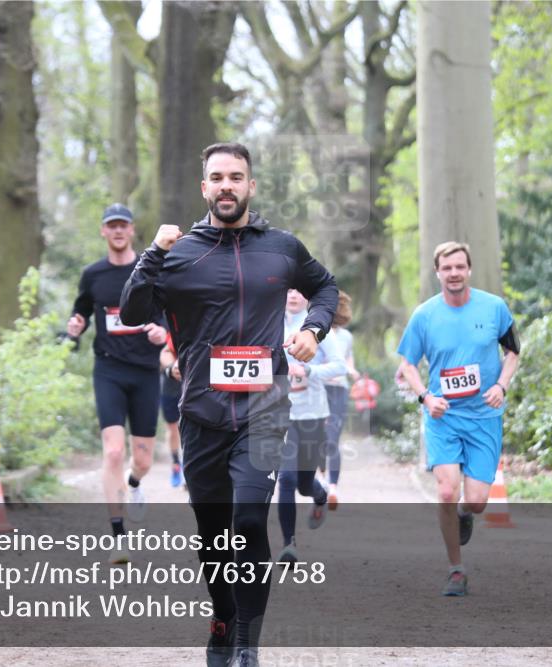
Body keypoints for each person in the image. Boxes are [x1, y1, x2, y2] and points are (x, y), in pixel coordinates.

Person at [120, 142, 338, 667]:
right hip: (200, 412)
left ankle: (246, 643)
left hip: (264, 409)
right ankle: (222, 618)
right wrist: (152, 252)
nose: (226, 186)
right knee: (214, 537)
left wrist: (313, 328)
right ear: (204, 188)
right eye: (216, 177)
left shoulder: (282, 248)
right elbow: (132, 309)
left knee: (246, 523)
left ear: (250, 186)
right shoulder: (179, 253)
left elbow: (325, 287)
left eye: (235, 177)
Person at [396, 241, 519, 597]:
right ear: (438, 273)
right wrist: (426, 396)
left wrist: (501, 385)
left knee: (477, 501)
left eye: (459, 267)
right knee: (447, 489)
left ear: (468, 270)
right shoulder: (424, 315)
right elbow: (407, 364)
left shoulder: (494, 308)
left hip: (484, 416)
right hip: (443, 417)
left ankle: (466, 513)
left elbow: (513, 352)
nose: (453, 273)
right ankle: (456, 570)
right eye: (447, 268)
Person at [66, 203, 168, 563]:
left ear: (132, 230)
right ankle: (118, 537)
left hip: (144, 371)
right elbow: (79, 314)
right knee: (112, 451)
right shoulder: (93, 274)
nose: (119, 231)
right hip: (108, 369)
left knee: (141, 459)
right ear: (104, 232)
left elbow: (165, 315)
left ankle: (135, 483)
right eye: (112, 226)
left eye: (124, 225)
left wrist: (162, 331)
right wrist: (73, 329)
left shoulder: (149, 270)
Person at [277, 289, 346, 563]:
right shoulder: (270, 320)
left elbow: (340, 366)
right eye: (288, 290)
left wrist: (309, 371)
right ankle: (288, 544)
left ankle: (319, 495)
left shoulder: (316, 326)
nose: (293, 295)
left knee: (304, 484)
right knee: (287, 478)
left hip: (312, 414)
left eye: (299, 291)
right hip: (279, 414)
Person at [320, 291, 359, 509]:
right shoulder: (315, 332)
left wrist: (353, 372)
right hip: (318, 389)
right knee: (318, 439)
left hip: (338, 391)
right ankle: (320, 479)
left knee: (333, 438)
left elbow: (348, 360)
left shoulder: (346, 337)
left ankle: (332, 486)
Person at [159, 333, 184, 487]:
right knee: (173, 428)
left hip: (193, 383)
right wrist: (170, 367)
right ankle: (176, 464)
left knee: (189, 426)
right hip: (170, 385)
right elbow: (164, 352)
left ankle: (189, 466)